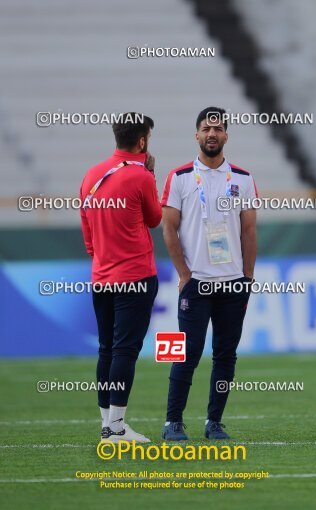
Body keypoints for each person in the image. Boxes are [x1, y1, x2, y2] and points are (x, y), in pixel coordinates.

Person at [161, 107, 257, 440]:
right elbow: (168, 229)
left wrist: (247, 276)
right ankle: (172, 421)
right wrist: (184, 274)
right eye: (206, 129)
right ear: (197, 135)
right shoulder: (180, 177)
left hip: (233, 283)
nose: (212, 134)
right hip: (196, 283)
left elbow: (248, 231)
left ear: (226, 135)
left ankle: (214, 422)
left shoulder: (242, 178)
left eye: (217, 129)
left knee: (226, 355)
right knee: (185, 351)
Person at [80, 112, 162, 443]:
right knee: (125, 350)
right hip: (136, 276)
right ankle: (115, 428)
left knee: (106, 350)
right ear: (142, 140)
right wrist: (151, 175)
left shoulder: (91, 174)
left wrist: (102, 259)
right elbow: (155, 218)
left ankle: (108, 424)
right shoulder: (141, 176)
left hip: (101, 276)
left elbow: (87, 234)